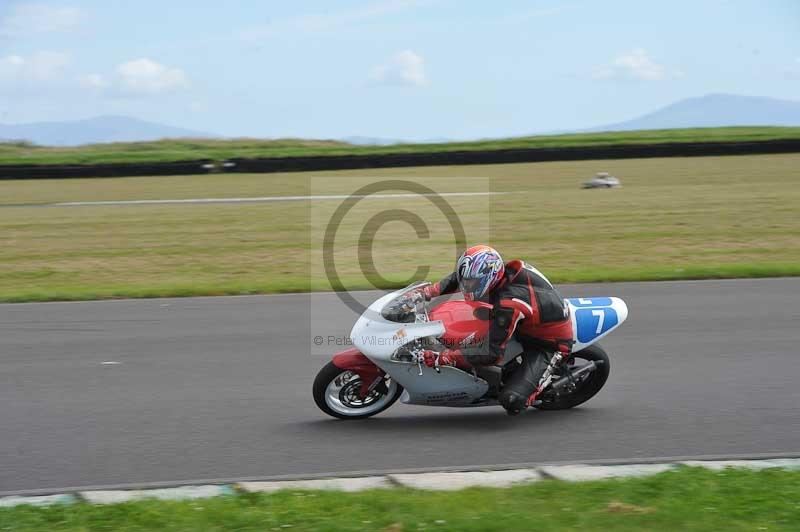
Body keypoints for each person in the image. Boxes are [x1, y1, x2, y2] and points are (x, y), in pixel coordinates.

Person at [419, 245, 574, 415]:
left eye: (471, 283)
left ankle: (538, 387)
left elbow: (491, 354)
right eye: (466, 282)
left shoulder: (508, 305)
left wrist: (445, 358)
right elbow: (460, 277)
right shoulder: (497, 271)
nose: (466, 287)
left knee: (512, 401)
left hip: (547, 343)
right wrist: (426, 292)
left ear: (489, 277)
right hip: (528, 321)